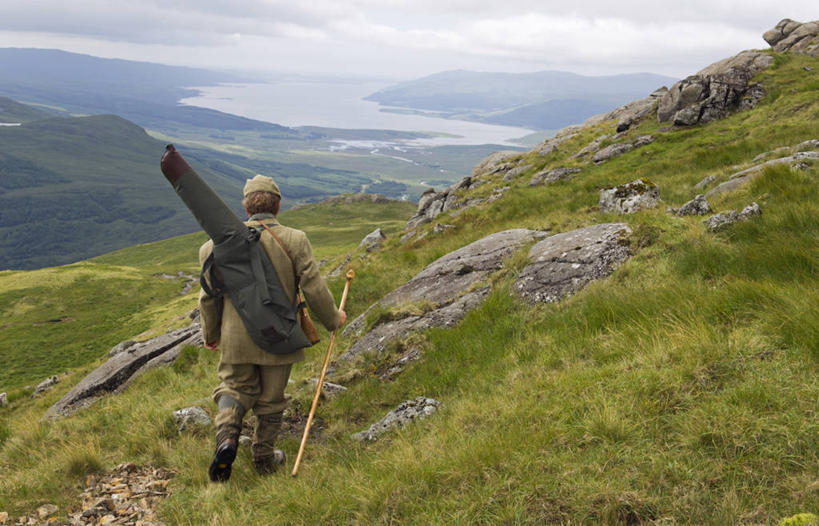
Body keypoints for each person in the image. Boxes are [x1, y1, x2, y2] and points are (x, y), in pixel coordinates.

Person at [198, 174, 346, 481]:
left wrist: (211, 335)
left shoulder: (213, 246)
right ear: (277, 206)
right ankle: (264, 458)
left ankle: (227, 439)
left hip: (235, 338)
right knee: (271, 399)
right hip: (280, 335)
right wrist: (334, 319)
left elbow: (208, 297)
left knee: (234, 388)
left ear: (246, 207)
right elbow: (313, 286)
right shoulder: (295, 239)